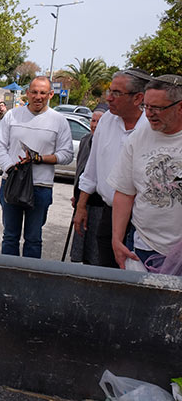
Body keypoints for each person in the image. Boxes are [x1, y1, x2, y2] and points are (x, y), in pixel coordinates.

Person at [74, 69, 151, 267]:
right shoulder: (107, 120)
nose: (109, 98)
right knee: (107, 272)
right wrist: (81, 207)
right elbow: (91, 168)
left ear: (138, 98)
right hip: (109, 214)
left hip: (142, 219)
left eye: (116, 93)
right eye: (109, 91)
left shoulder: (152, 126)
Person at [0, 76, 73, 258]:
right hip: (11, 185)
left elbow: (67, 154)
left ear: (51, 95)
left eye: (43, 93)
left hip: (40, 188)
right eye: (34, 92)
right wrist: (11, 168)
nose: (38, 97)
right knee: (10, 237)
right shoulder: (12, 115)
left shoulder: (59, 121)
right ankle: (8, 279)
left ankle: (30, 280)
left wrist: (41, 158)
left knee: (33, 239)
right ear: (27, 94)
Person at [108, 74, 182, 269]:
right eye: (146, 107)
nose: (149, 114)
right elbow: (124, 192)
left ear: (180, 107)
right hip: (142, 248)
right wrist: (117, 240)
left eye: (157, 108)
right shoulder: (139, 136)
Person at [70, 106, 106, 263]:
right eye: (93, 120)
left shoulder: (108, 143)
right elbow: (80, 169)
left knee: (94, 247)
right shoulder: (85, 140)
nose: (95, 125)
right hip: (82, 201)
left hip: (100, 203)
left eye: (100, 121)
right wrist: (76, 195)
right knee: (80, 241)